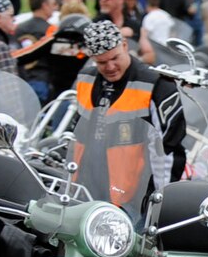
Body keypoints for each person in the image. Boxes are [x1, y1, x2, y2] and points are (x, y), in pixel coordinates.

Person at [73, 19, 188, 202]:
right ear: (92, 58)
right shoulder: (86, 79)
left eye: (115, 58)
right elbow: (77, 133)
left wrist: (159, 201)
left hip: (132, 196)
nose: (110, 67)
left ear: (125, 45)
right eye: (102, 62)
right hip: (85, 187)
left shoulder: (156, 84)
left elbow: (166, 151)